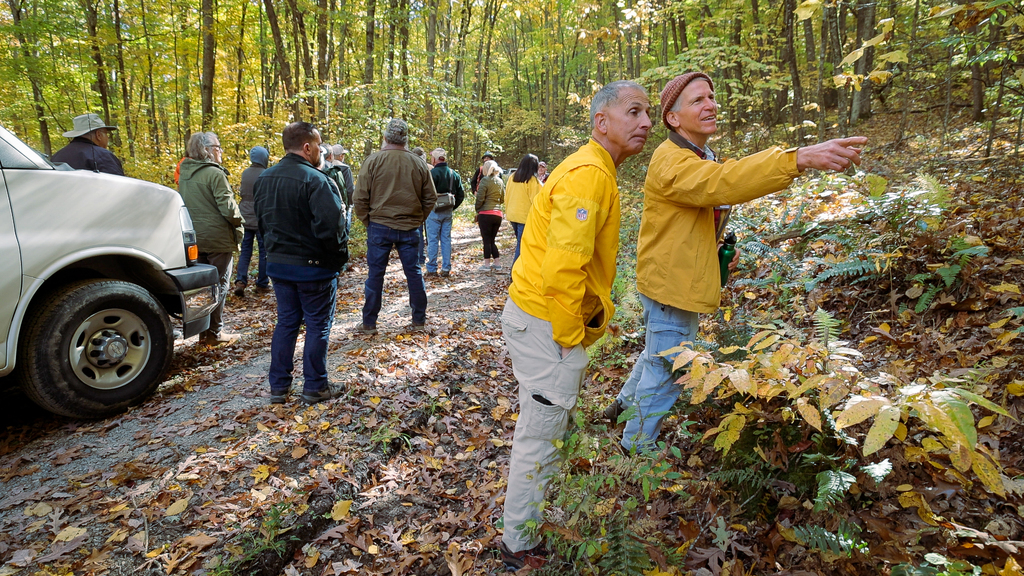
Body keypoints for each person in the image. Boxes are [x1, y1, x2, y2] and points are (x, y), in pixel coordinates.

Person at [607, 71, 868, 453]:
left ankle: (621, 408)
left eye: (711, 96)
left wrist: (712, 249)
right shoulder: (670, 161)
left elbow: (713, 190)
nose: (710, 105)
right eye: (697, 100)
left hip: (677, 280)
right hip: (671, 288)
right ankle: (634, 450)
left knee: (656, 355)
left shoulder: (699, 154)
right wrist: (798, 158)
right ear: (673, 118)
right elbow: (721, 182)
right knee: (666, 370)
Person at [498, 80, 653, 571]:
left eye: (648, 112)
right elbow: (562, 271)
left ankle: (531, 521)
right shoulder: (588, 174)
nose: (646, 122)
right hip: (547, 327)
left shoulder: (596, 169)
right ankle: (519, 544)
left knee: (547, 430)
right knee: (540, 436)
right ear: (601, 122)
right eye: (634, 111)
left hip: (544, 323)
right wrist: (569, 340)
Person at [253, 121, 346, 405]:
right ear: (307, 147)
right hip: (313, 267)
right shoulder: (316, 180)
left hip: (280, 266)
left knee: (287, 324)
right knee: (318, 326)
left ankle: (279, 387)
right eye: (319, 145)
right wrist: (336, 262)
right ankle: (315, 386)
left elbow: (262, 224)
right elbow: (332, 228)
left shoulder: (264, 178)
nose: (321, 150)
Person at [352, 119, 436, 334]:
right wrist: (418, 219)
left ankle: (369, 323)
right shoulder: (418, 163)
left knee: (375, 275)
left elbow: (360, 197)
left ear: (385, 137)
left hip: (379, 226)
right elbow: (430, 198)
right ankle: (419, 320)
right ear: (406, 139)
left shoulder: (372, 161)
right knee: (414, 274)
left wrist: (367, 222)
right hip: (409, 227)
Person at [177, 132, 243, 346]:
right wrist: (239, 222)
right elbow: (228, 208)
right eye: (218, 146)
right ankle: (214, 333)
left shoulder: (185, 172)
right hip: (217, 238)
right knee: (219, 284)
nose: (220, 151)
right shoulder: (215, 174)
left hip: (194, 237)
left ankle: (203, 333)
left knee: (201, 286)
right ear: (207, 149)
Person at [233, 146, 272, 297]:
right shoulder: (266, 174)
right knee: (264, 251)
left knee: (245, 251)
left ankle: (240, 282)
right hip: (260, 217)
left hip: (245, 216)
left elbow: (243, 192)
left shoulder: (246, 173)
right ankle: (262, 283)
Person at [425, 148, 465, 278]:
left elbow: (425, 193)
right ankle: (446, 268)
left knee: (432, 240)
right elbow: (461, 194)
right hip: (448, 211)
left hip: (433, 211)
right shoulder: (454, 174)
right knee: (446, 240)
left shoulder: (432, 174)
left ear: (435, 159)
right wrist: (452, 207)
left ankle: (431, 269)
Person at [50, 113, 124, 176]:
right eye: (106, 133)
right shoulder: (103, 155)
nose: (108, 137)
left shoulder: (56, 156)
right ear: (98, 135)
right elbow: (119, 186)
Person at [504, 154, 542, 268]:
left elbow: (507, 195)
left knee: (520, 244)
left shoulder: (512, 177)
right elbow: (536, 201)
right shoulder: (532, 180)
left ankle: (519, 271)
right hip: (525, 217)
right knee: (522, 246)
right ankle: (514, 272)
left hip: (512, 214)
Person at [474, 160, 505, 273]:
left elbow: (480, 198)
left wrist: (477, 209)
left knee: (486, 240)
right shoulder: (500, 181)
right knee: (492, 240)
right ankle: (497, 263)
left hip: (485, 214)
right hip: (498, 214)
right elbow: (502, 199)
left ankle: (486, 264)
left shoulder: (485, 181)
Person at [411, 147, 430, 270]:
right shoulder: (429, 169)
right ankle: (426, 259)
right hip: (427, 205)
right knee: (430, 234)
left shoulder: (410, 168)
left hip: (415, 205)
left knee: (418, 232)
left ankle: (419, 258)